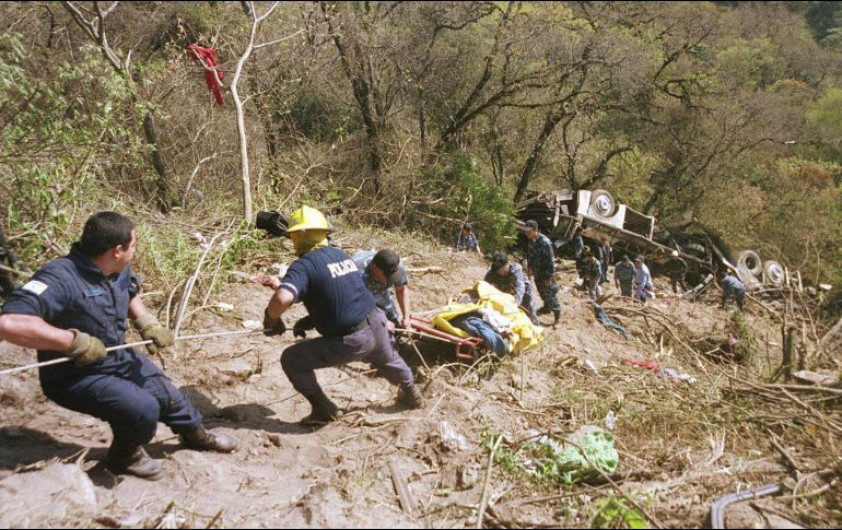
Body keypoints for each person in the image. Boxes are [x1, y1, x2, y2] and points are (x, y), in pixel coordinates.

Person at [0, 212, 237, 481]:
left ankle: (197, 435)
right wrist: (71, 342)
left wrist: (146, 321)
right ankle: (125, 456)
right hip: (75, 375)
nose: (135, 251)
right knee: (142, 410)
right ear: (117, 250)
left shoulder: (118, 268)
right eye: (134, 245)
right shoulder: (59, 278)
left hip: (117, 357)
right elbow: (10, 323)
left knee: (170, 397)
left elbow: (130, 292)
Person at [260, 206, 423, 426]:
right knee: (389, 360)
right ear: (324, 232)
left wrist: (270, 320)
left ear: (297, 237)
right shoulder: (341, 255)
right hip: (378, 322)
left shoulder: (304, 265)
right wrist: (309, 321)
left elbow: (282, 299)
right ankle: (412, 392)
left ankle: (324, 409)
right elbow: (341, 296)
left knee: (291, 359)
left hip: (353, 339)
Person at [351, 248, 412, 331]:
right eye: (388, 277)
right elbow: (353, 305)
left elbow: (401, 289)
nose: (391, 280)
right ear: (375, 268)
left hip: (379, 292)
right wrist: (380, 321)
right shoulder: (356, 273)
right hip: (356, 300)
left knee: (394, 321)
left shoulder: (396, 265)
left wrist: (406, 317)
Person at [522, 220, 562, 326]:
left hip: (546, 274)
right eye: (525, 231)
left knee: (550, 294)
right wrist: (529, 267)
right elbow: (530, 255)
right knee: (542, 292)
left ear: (535, 230)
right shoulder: (531, 240)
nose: (526, 234)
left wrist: (548, 278)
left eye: (528, 231)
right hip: (537, 272)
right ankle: (546, 307)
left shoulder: (545, 243)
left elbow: (550, 262)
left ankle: (557, 316)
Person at [484, 251, 539, 325]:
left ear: (508, 263)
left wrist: (513, 305)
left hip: (523, 293)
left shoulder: (516, 269)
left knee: (530, 311)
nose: (500, 272)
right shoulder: (493, 271)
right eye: (498, 270)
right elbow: (485, 285)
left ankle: (535, 325)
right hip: (505, 292)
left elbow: (520, 289)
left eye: (502, 269)